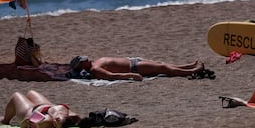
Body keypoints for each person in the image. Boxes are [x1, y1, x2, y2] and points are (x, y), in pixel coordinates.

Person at [68, 55, 208, 81]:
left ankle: (186, 66)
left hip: (134, 61)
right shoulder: (95, 69)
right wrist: (131, 75)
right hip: (134, 67)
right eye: (83, 60)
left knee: (160, 64)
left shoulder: (94, 63)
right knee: (163, 68)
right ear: (81, 65)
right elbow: (112, 76)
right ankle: (192, 71)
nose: (86, 59)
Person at [0, 90, 82, 128]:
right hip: (44, 106)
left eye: (55, 125)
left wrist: (31, 123)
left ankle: (5, 120)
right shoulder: (72, 115)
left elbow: (25, 123)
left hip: (29, 111)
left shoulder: (46, 120)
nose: (54, 123)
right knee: (31, 92)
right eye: (56, 123)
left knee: (16, 95)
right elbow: (81, 120)